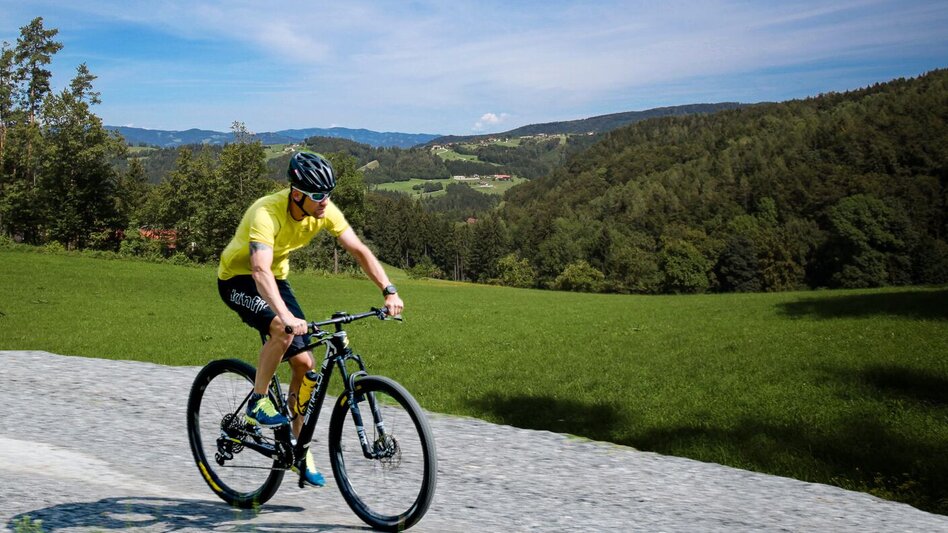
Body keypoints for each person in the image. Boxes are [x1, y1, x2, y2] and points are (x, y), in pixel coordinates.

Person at [217, 151, 403, 487]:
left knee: (304, 365)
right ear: (297, 193)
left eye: (328, 194)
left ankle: (298, 448)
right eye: (318, 195)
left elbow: (358, 249)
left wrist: (388, 289)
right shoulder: (266, 212)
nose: (324, 202)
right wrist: (285, 317)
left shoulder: (324, 211)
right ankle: (258, 403)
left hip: (276, 279)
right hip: (238, 279)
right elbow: (258, 270)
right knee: (281, 329)